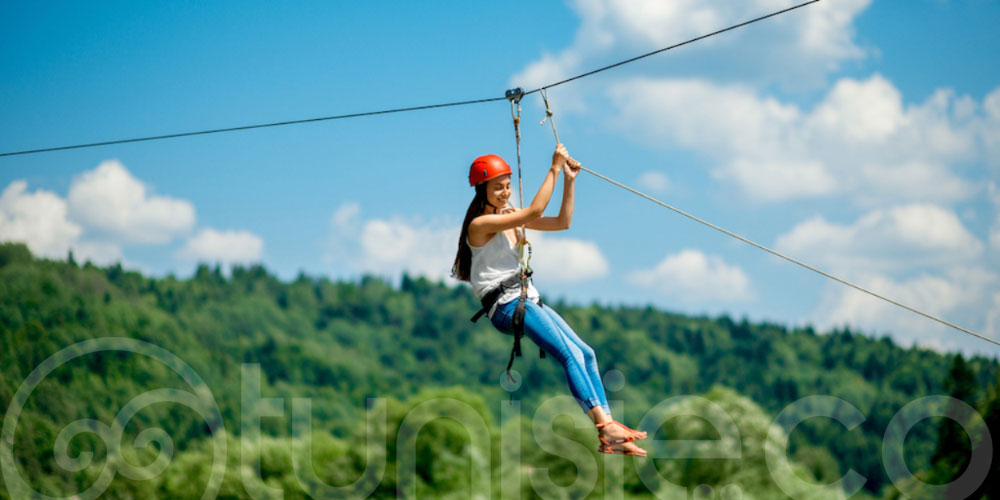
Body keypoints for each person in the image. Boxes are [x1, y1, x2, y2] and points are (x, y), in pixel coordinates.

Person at [451, 144, 647, 456]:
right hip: (507, 305)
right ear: (481, 190)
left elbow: (561, 222)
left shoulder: (510, 216)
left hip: (527, 298)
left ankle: (609, 427)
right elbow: (535, 212)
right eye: (497, 188)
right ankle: (603, 426)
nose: (504, 193)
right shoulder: (480, 225)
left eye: (506, 186)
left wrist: (568, 180)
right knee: (568, 354)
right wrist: (553, 168)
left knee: (586, 353)